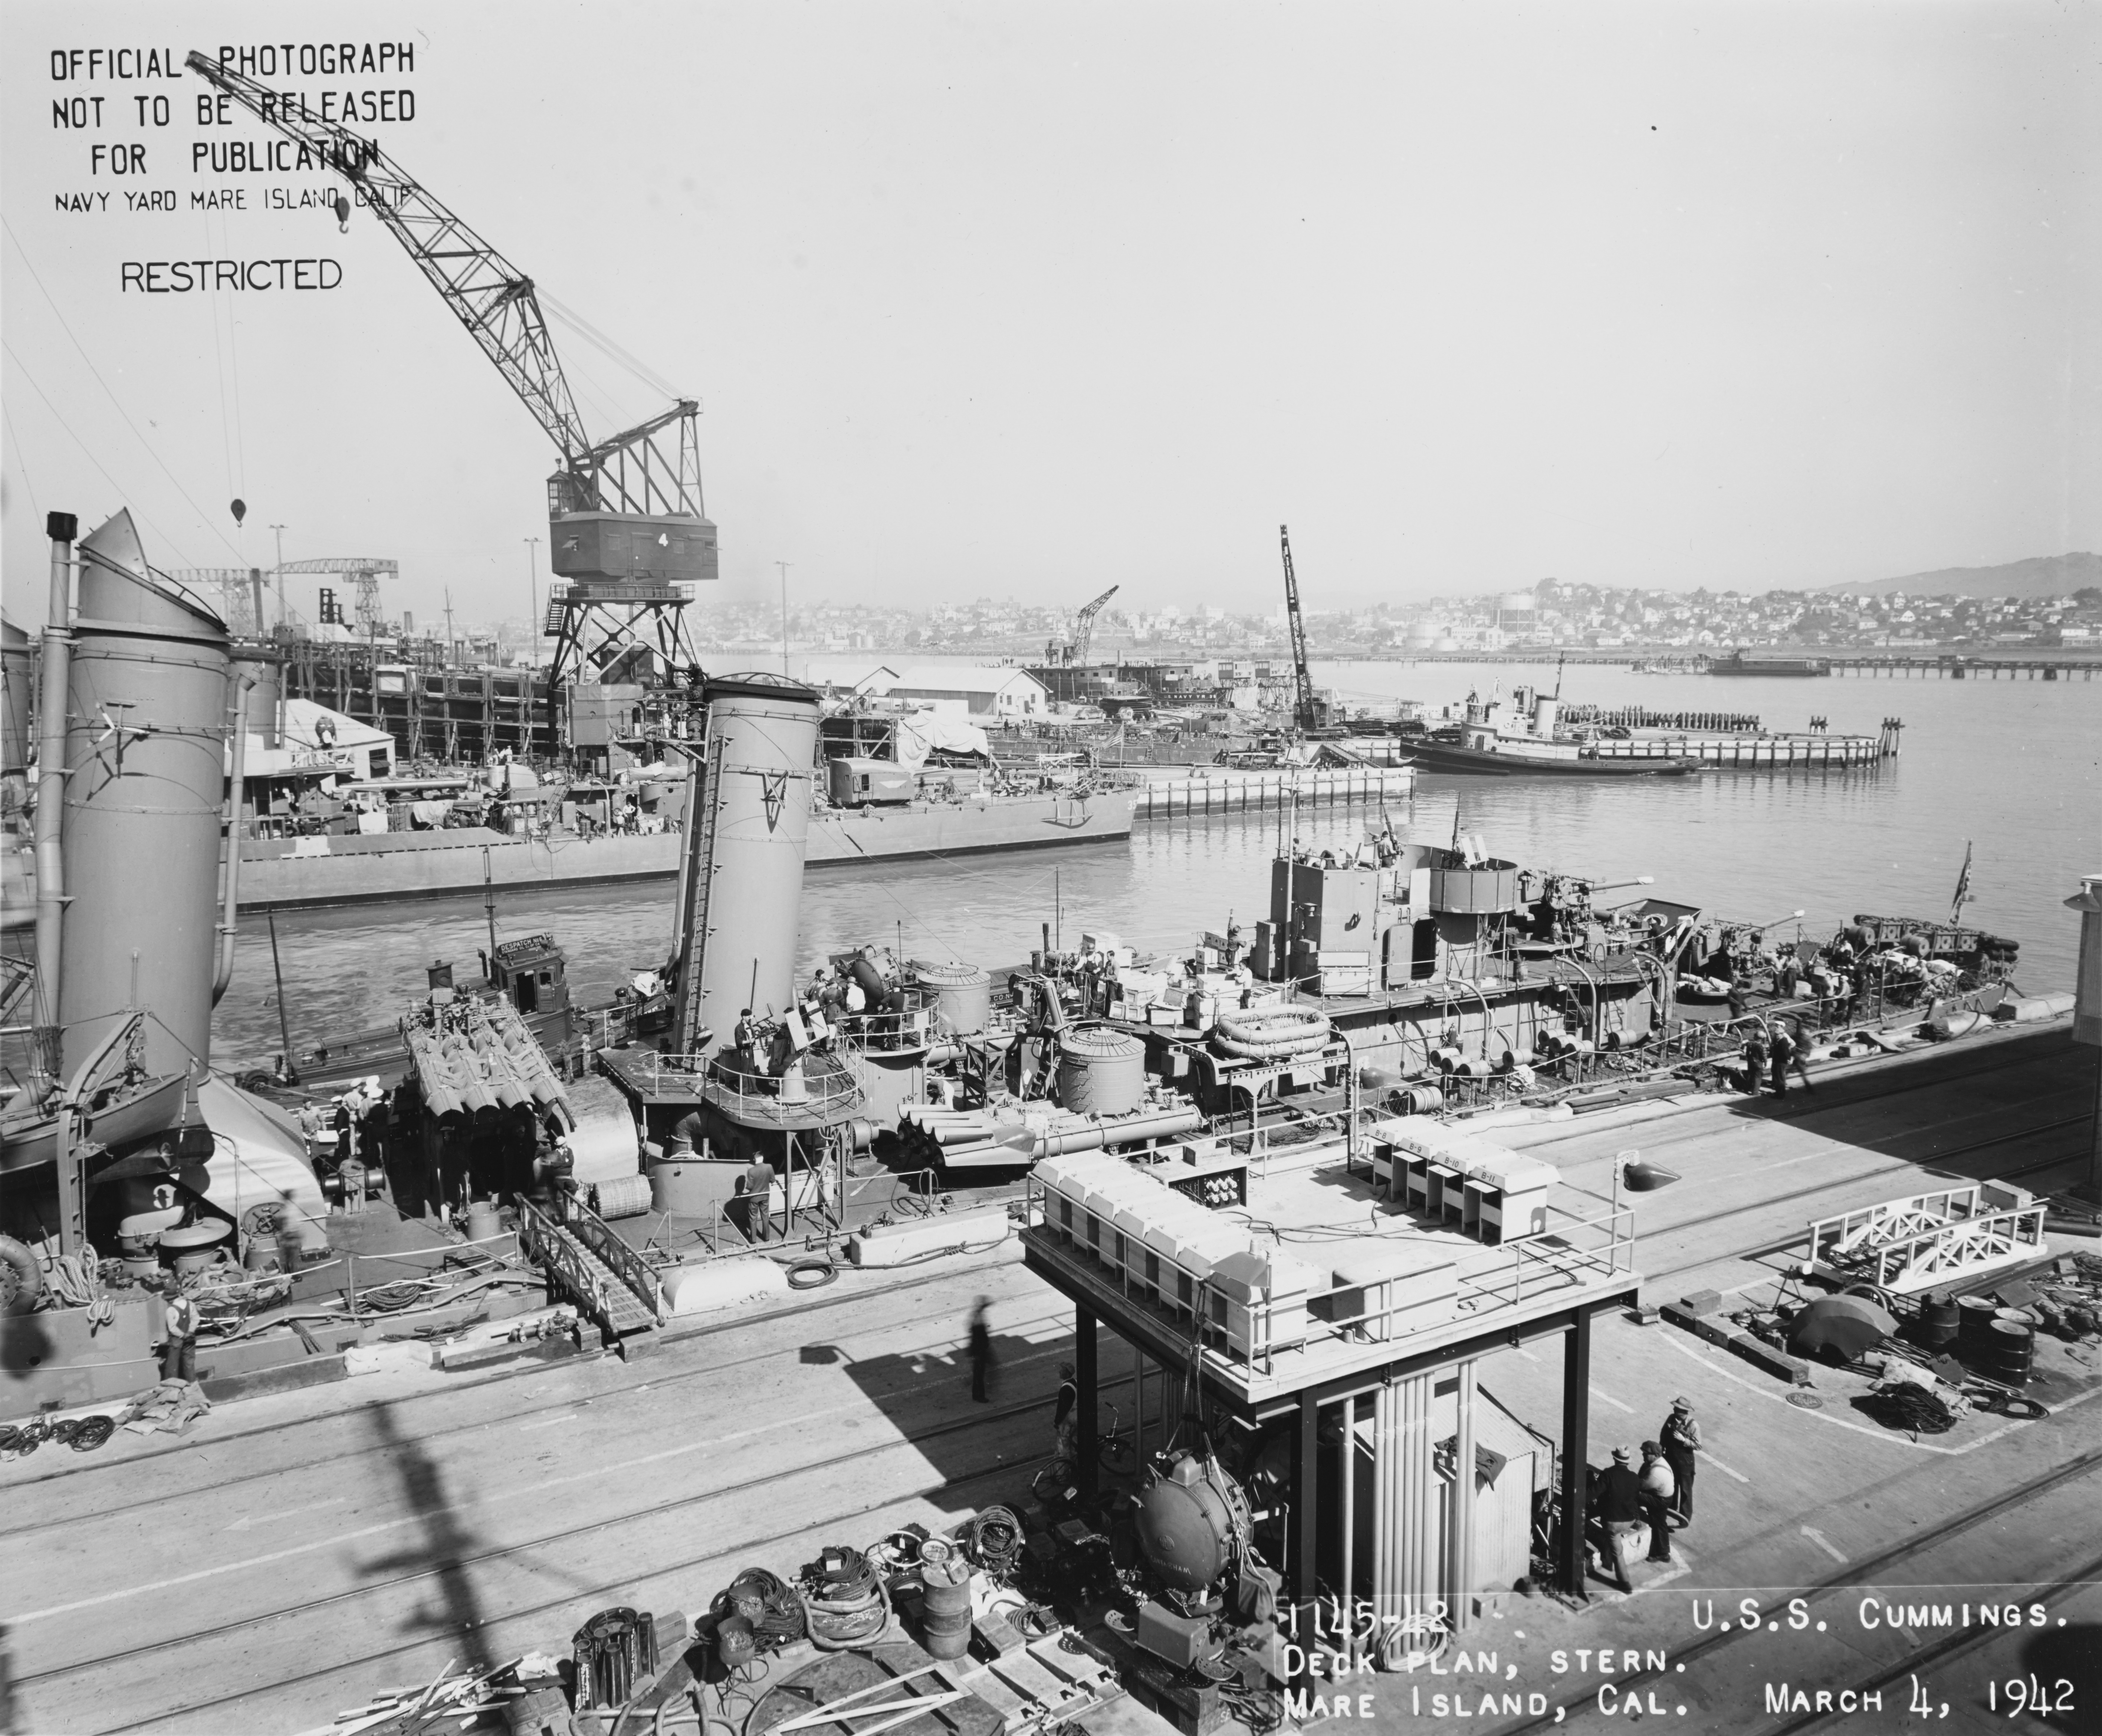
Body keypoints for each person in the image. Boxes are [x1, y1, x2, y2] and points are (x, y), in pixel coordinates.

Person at [1593, 1445, 1645, 1592]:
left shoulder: (1608, 1474)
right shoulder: (1635, 1478)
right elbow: (1635, 1500)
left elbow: (1593, 1494)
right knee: (1615, 1544)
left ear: (1614, 1459)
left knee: (1615, 1546)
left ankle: (1624, 1582)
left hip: (1613, 1523)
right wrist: (1638, 1520)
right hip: (1629, 1520)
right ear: (1628, 1462)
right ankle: (1613, 1568)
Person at [1660, 1397, 1702, 1528]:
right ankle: (1672, 1508)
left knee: (1685, 1489)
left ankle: (1685, 1517)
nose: (1674, 1409)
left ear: (1683, 1411)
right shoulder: (1671, 1418)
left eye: (1676, 1408)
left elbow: (1698, 1446)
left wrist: (1684, 1440)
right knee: (1671, 1483)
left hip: (1685, 1461)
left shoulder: (1693, 1426)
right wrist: (1662, 1448)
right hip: (1671, 1457)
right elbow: (1664, 1434)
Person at [1639, 1441, 1677, 1563]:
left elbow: (1641, 1486)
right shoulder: (1657, 1463)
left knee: (1658, 1524)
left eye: (1646, 1454)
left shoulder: (1656, 1473)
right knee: (1660, 1523)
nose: (1644, 1455)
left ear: (1655, 1455)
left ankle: (1663, 1554)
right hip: (1663, 1496)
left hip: (1660, 1500)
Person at [162, 1290, 202, 1382]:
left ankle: (172, 1387)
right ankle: (192, 1385)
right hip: (190, 1339)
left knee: (173, 1365)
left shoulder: (171, 1310)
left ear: (170, 1300)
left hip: (177, 1341)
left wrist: (183, 1335)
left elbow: (172, 1328)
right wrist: (190, 1332)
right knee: (189, 1363)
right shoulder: (190, 1304)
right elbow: (196, 1319)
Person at [739, 1154, 776, 1242]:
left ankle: (753, 1240)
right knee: (765, 1217)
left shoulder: (751, 1171)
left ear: (754, 1160)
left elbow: (750, 1187)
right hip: (765, 1196)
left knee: (753, 1219)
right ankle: (767, 1238)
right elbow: (773, 1180)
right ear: (763, 1158)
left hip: (754, 1198)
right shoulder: (769, 1167)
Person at [968, 1297, 995, 1403]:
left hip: (979, 1350)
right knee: (979, 1374)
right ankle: (980, 1396)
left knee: (978, 1374)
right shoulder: (978, 1318)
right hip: (980, 1351)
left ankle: (976, 1395)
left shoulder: (977, 1315)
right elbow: (978, 1338)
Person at [1053, 1361, 1079, 1460]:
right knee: (1074, 1444)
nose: (1060, 1372)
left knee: (1063, 1447)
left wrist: (1057, 1422)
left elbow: (1062, 1409)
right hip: (1076, 1418)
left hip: (1067, 1422)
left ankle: (1064, 1471)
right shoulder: (1076, 1382)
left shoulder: (1066, 1389)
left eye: (1062, 1371)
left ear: (1067, 1374)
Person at [1741, 1022, 1769, 1097]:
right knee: (1758, 1077)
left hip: (1751, 1061)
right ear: (1762, 1038)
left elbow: (1747, 1050)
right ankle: (1755, 1092)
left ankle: (1746, 1088)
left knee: (1750, 1075)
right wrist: (1766, 1063)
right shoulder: (1762, 1046)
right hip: (1758, 1063)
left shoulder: (1750, 1043)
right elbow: (1764, 1056)